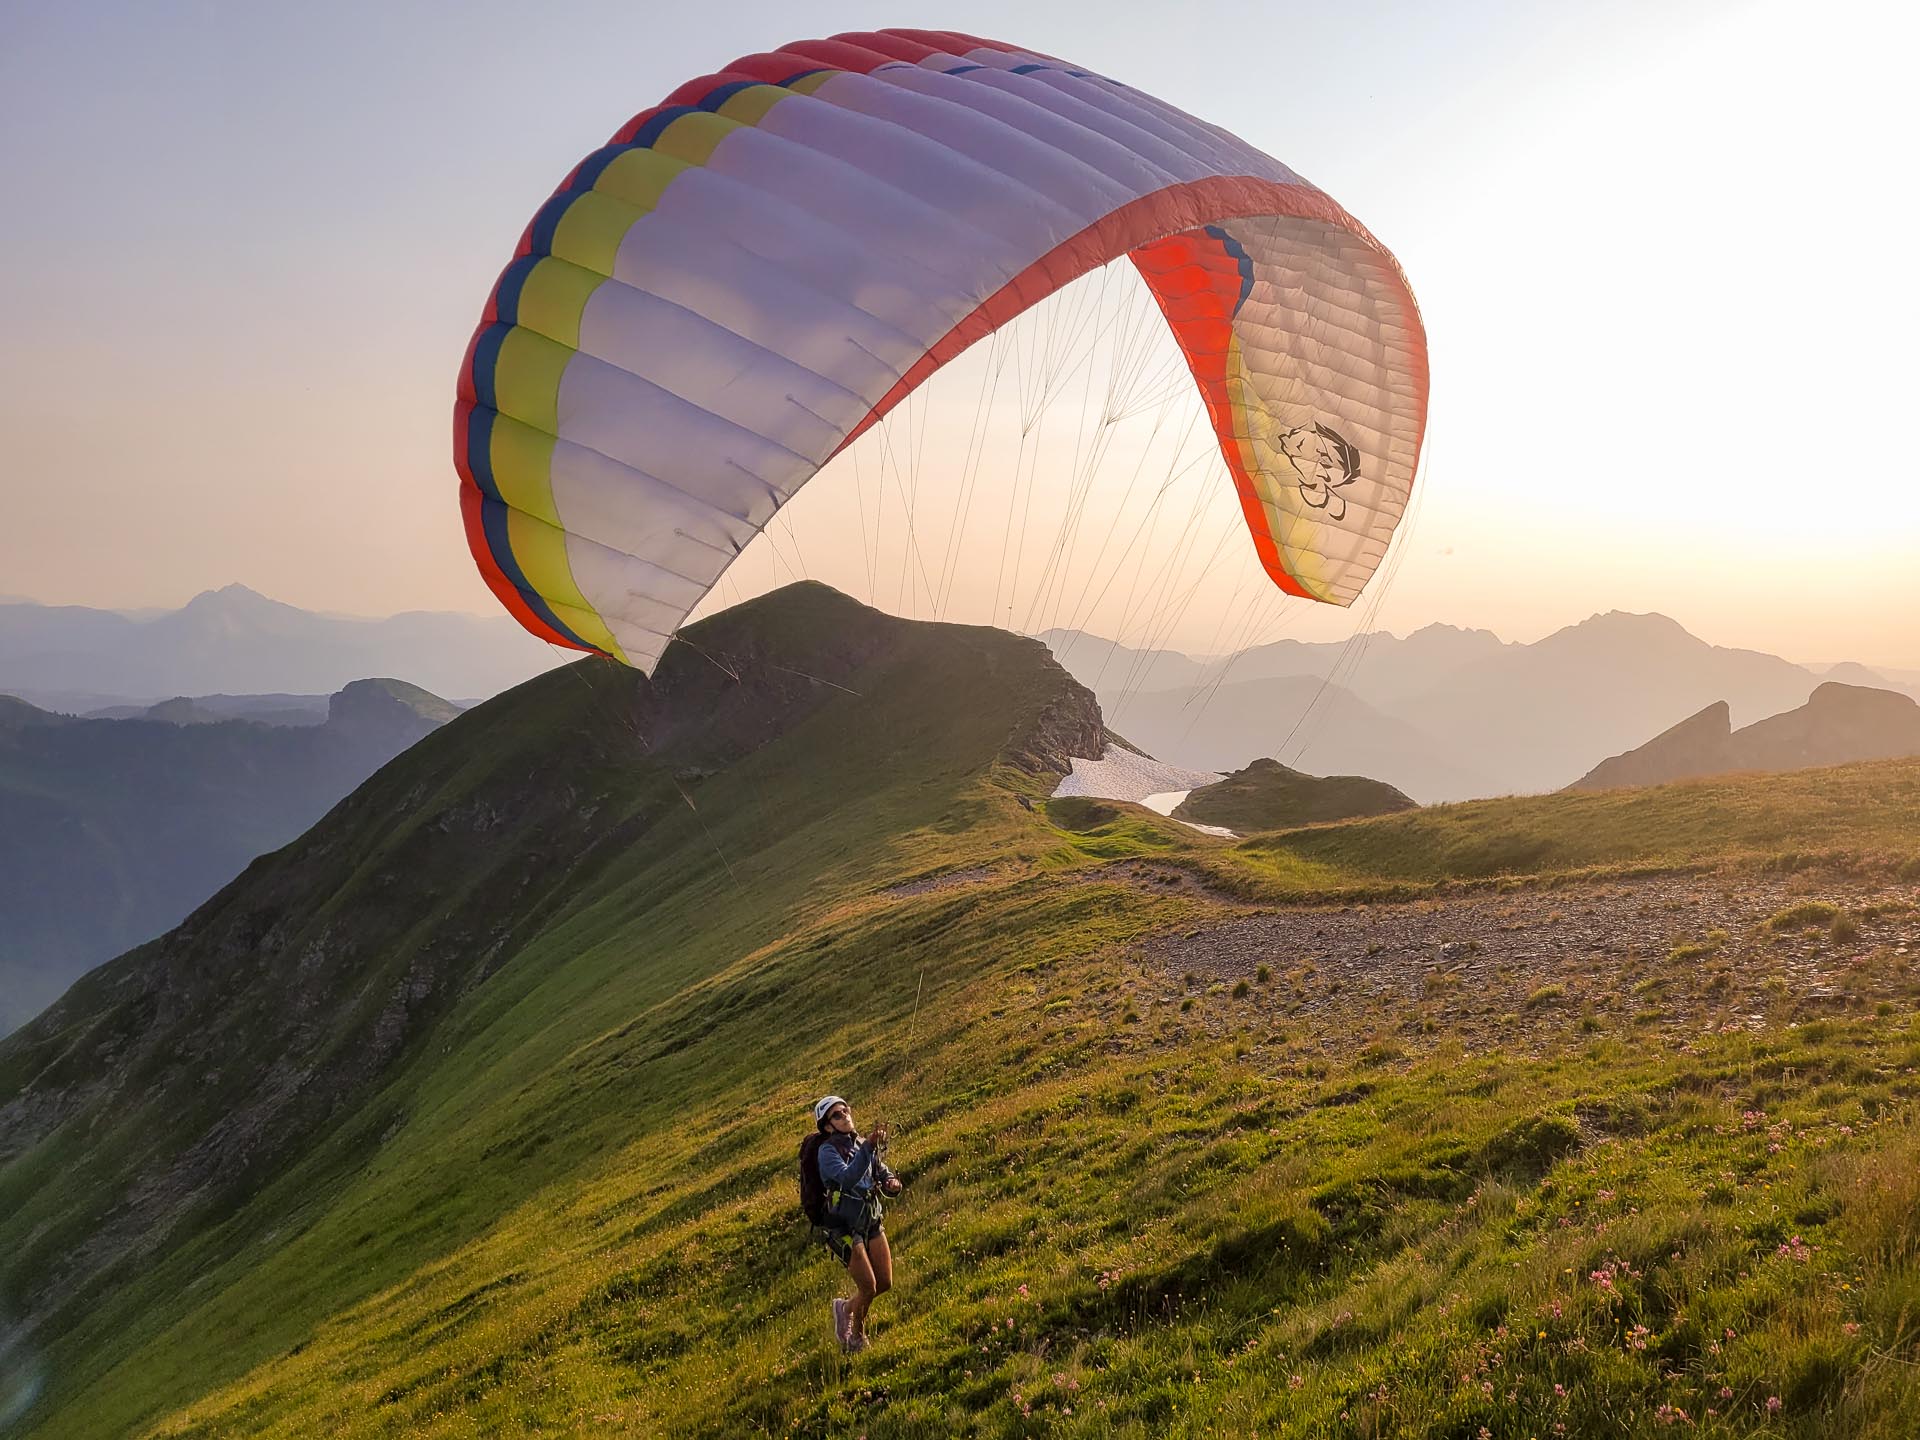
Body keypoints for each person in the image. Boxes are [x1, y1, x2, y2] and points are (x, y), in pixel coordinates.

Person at [812, 1094, 903, 1352]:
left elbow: (879, 1170)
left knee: (884, 1283)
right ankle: (856, 1338)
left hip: (871, 1219)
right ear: (827, 1126)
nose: (845, 1116)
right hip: (844, 1228)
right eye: (837, 1115)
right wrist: (868, 1148)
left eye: (846, 1110)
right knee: (868, 1287)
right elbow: (847, 1178)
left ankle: (844, 1309)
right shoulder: (827, 1152)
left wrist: (891, 1182)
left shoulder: (861, 1143)